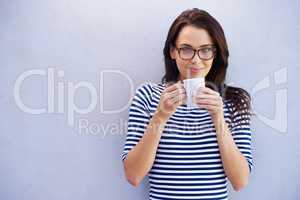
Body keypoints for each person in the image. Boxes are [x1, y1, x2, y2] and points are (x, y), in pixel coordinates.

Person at [122, 8, 253, 200]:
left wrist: (218, 119)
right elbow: (133, 175)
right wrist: (160, 116)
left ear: (215, 53)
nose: (196, 60)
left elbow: (240, 181)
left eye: (205, 50)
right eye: (186, 49)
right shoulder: (148, 96)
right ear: (173, 51)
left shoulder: (234, 102)